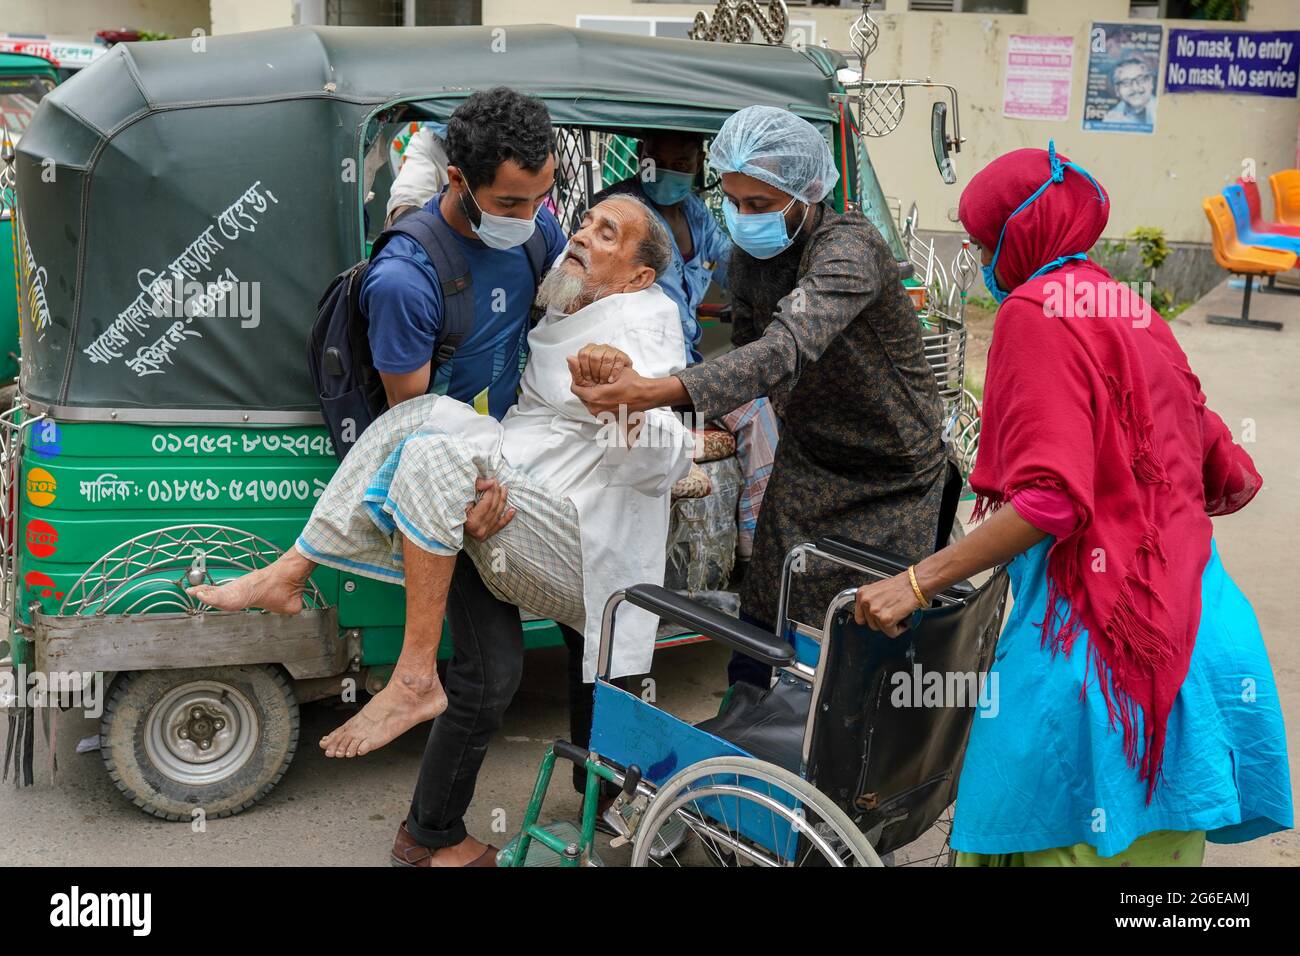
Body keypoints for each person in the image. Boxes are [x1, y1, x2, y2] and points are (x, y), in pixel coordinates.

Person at [192, 195, 690, 865]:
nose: (582, 235)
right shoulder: (563, 298)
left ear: (638, 276)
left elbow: (667, 454)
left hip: (583, 538)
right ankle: (293, 573)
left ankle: (417, 679)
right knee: (424, 416)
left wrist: (630, 394)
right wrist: (493, 483)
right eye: (586, 221)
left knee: (437, 461)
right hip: (510, 498)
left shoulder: (645, 319)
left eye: (608, 234)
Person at [852, 142, 1293, 866]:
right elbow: (1222, 466)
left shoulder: (1033, 312)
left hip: (1104, 658)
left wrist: (915, 581)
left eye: (984, 239)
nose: (975, 251)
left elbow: (1050, 502)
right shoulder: (1130, 309)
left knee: (1048, 832)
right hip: (1201, 643)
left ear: (1020, 239)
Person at [569, 105, 947, 688]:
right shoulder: (749, 261)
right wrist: (674, 415)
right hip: (809, 459)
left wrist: (655, 392)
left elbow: (780, 350)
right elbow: (754, 367)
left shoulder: (850, 249)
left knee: (870, 623)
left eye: (762, 206)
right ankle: (750, 726)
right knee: (767, 612)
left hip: (892, 475)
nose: (744, 219)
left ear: (807, 193)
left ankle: (855, 757)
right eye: (735, 203)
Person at [593, 131, 777, 570]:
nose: (675, 170)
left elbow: (733, 267)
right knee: (755, 413)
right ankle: (756, 558)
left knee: (767, 404)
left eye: (685, 161)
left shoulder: (693, 212)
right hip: (642, 373)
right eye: (664, 160)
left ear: (700, 164)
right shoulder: (624, 214)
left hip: (684, 368)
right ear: (643, 158)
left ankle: (756, 544)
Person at [1103, 57, 1157, 126]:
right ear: (1117, 90)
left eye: (1141, 79)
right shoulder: (1110, 120)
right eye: (1126, 82)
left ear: (1150, 82)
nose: (1135, 87)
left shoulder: (1165, 109)